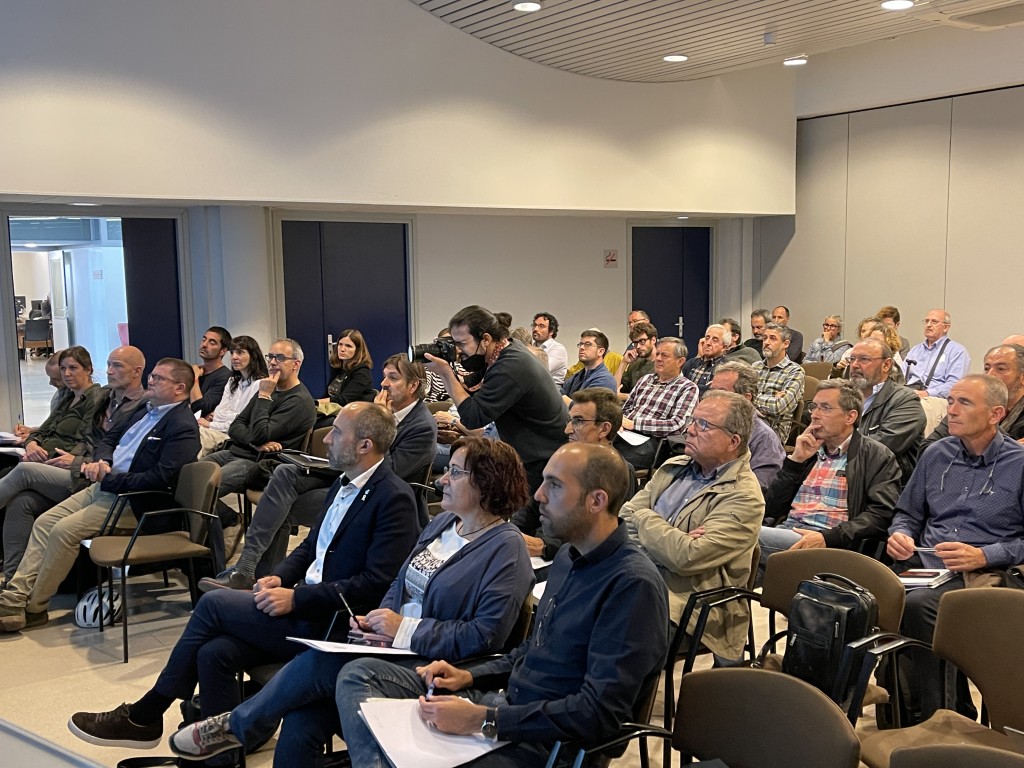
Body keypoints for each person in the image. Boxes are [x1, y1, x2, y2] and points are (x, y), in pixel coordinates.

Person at [68, 402, 420, 754]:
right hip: (308, 606)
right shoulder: (343, 483)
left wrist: (296, 599)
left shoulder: (393, 498)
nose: (326, 439)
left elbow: (375, 584)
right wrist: (279, 578)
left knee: (213, 604)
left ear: (364, 445)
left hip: (333, 625)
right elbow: (311, 547)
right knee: (214, 653)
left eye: (337, 433)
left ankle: (147, 714)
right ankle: (221, 758)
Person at [167, 438, 535, 766]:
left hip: (434, 666)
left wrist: (403, 629)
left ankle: (236, 725)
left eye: (455, 472)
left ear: (487, 482)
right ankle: (237, 727)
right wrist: (378, 620)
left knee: (320, 662)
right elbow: (400, 582)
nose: (442, 480)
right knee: (301, 720)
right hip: (391, 649)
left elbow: (483, 637)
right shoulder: (443, 524)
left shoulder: (506, 548)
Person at [330, 443, 668, 768]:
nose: (538, 495)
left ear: (596, 500)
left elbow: (597, 714)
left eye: (554, 485)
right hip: (507, 706)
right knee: (359, 675)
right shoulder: (569, 557)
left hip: (547, 744)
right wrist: (469, 675)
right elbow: (531, 651)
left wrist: (485, 720)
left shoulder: (632, 585)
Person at [200, 355, 437, 591]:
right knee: (284, 473)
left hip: (375, 498)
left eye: (393, 378)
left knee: (278, 507)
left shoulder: (422, 426)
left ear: (413, 386)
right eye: (384, 376)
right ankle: (249, 572)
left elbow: (387, 473)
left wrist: (382, 425)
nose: (383, 384)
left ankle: (261, 578)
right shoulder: (386, 410)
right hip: (349, 477)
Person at [0, 358, 200, 632]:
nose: (150, 381)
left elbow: (161, 478)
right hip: (104, 487)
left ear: (179, 388)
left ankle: (34, 608)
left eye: (158, 378)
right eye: (152, 376)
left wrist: (111, 478)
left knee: (63, 531)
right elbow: (108, 439)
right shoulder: (145, 409)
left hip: (135, 502)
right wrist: (103, 461)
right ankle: (14, 598)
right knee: (45, 522)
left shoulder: (182, 426)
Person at [886, 374, 1024, 722]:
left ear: (995, 414)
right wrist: (900, 534)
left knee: (919, 606)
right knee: (867, 593)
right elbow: (907, 513)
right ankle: (901, 710)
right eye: (950, 401)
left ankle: (942, 716)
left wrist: (985, 554)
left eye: (964, 402)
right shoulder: (937, 454)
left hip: (984, 573)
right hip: (925, 563)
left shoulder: (1018, 464)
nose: (951, 410)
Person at [621, 391, 763, 662]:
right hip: (638, 574)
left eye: (704, 425)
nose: (690, 429)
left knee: (616, 634)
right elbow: (623, 518)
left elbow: (686, 557)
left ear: (733, 441)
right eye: (693, 420)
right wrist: (669, 539)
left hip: (691, 602)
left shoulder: (744, 496)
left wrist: (645, 518)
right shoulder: (673, 468)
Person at [759, 380, 901, 574]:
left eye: (825, 408)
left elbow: (880, 515)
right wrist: (795, 462)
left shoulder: (876, 456)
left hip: (832, 544)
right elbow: (772, 508)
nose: (814, 415)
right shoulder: (809, 451)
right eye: (814, 407)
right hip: (786, 532)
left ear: (850, 416)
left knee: (739, 538)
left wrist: (827, 537)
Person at [425, 305, 567, 492]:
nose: (458, 351)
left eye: (462, 344)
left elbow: (473, 417)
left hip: (541, 459)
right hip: (534, 454)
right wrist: (447, 364)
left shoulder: (510, 366)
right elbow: (470, 384)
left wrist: (445, 373)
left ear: (485, 339)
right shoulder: (504, 350)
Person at [513, 387, 633, 560]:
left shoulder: (620, 473)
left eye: (578, 421)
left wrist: (543, 545)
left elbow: (602, 534)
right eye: (570, 420)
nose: (568, 429)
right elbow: (533, 506)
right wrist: (512, 530)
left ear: (604, 429)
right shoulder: (565, 459)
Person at [202, 338, 317, 506]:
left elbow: (260, 435)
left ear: (296, 364)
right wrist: (254, 444)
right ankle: (229, 519)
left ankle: (228, 520)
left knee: (202, 488)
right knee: (188, 477)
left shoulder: (298, 400)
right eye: (270, 357)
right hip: (236, 452)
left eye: (280, 358)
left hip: (257, 463)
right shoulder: (269, 388)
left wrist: (264, 397)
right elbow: (235, 426)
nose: (272, 362)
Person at [848, 338, 925, 480]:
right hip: (844, 473)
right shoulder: (844, 396)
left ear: (886, 365)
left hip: (886, 483)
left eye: (864, 359)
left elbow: (881, 448)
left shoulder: (906, 401)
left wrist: (837, 443)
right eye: (852, 359)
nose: (855, 365)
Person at [618, 336, 699, 468]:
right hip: (624, 434)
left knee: (608, 459)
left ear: (680, 361)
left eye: (664, 355)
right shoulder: (645, 380)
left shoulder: (688, 388)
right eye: (657, 354)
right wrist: (620, 421)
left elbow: (676, 425)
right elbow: (626, 409)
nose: (658, 359)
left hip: (653, 442)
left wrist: (634, 424)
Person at [925, 344, 1024, 445]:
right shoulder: (967, 403)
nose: (990, 374)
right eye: (987, 368)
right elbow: (927, 446)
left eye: (1001, 369)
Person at [709, 361, 785, 492]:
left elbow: (757, 490)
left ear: (745, 398)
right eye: (712, 392)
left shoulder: (764, 438)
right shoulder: (706, 424)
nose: (712, 399)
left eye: (721, 393)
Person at [197, 335, 269, 457]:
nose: (234, 357)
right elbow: (219, 413)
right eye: (232, 353)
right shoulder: (232, 381)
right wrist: (232, 416)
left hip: (233, 437)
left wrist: (210, 424)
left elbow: (244, 423)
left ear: (253, 355)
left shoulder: (261, 384)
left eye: (240, 352)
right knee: (189, 432)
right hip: (219, 431)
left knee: (199, 436)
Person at [753, 323, 806, 443]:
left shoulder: (795, 371)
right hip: (750, 423)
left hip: (773, 431)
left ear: (785, 344)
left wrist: (751, 400)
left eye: (773, 338)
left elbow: (779, 406)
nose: (766, 342)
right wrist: (771, 398)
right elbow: (740, 397)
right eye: (765, 338)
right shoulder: (755, 367)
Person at [315, 329, 375, 428]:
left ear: (357, 350)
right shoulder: (338, 368)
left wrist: (316, 402)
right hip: (337, 411)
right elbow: (329, 394)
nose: (342, 349)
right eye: (340, 344)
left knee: (314, 423)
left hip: (355, 416)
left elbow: (344, 400)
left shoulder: (362, 373)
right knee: (307, 418)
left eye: (348, 346)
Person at [189, 327, 232, 418]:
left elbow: (200, 410)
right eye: (204, 339)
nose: (204, 345)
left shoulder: (225, 376)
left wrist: (194, 378)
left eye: (212, 343)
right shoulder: (196, 370)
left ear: (223, 351)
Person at [560, 329, 617, 398]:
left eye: (587, 344)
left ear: (600, 351)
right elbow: (559, 396)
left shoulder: (605, 380)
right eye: (581, 344)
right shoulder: (577, 376)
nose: (581, 347)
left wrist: (564, 399)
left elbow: (585, 405)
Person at [682, 323, 731, 393]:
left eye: (715, 340)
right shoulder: (691, 362)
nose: (708, 343)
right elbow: (677, 384)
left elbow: (712, 392)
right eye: (707, 338)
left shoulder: (725, 368)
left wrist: (686, 388)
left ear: (724, 347)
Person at [615, 320, 657, 400]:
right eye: (635, 343)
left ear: (653, 340)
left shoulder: (662, 365)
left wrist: (626, 397)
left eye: (642, 341)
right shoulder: (635, 364)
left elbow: (654, 399)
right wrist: (624, 362)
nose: (638, 346)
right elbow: (615, 390)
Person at [531, 312, 568, 386]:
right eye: (534, 325)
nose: (535, 329)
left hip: (551, 389)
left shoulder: (558, 349)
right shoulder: (531, 347)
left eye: (541, 326)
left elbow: (539, 372)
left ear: (551, 331)